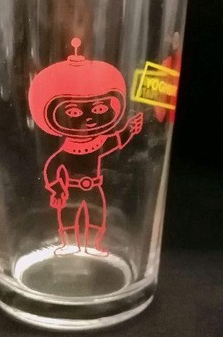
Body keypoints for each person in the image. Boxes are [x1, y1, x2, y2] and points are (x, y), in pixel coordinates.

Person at [29, 38, 143, 256]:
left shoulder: (99, 143)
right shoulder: (64, 152)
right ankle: (67, 244)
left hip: (94, 187)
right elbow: (52, 168)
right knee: (68, 216)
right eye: (73, 112)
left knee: (97, 216)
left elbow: (117, 139)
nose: (88, 119)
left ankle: (96, 244)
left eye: (99, 109)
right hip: (71, 188)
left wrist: (130, 129)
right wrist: (57, 188)